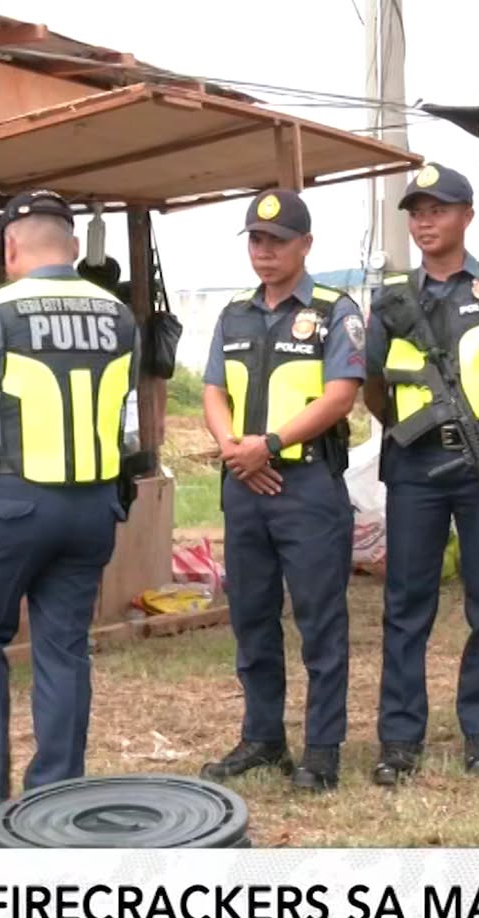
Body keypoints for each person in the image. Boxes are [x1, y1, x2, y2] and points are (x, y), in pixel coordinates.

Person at [0, 190, 137, 836]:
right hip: (94, 505)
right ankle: (58, 797)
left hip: (14, 502)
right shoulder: (120, 315)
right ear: (72, 246)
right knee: (64, 649)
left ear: (10, 248)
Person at [363, 163, 479, 786]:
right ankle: (399, 739)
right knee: (405, 604)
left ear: (467, 214)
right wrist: (418, 424)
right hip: (415, 464)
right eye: (416, 210)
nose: (424, 220)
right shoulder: (391, 297)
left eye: (437, 209)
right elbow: (372, 387)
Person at [198, 189, 362, 793]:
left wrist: (267, 444)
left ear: (305, 245)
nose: (264, 253)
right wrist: (235, 450)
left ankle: (323, 749)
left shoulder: (333, 311)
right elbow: (213, 390)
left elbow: (340, 395)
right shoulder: (234, 314)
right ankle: (263, 736)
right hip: (245, 484)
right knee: (251, 617)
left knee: (320, 621)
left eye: (277, 241)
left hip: (306, 484)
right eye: (256, 242)